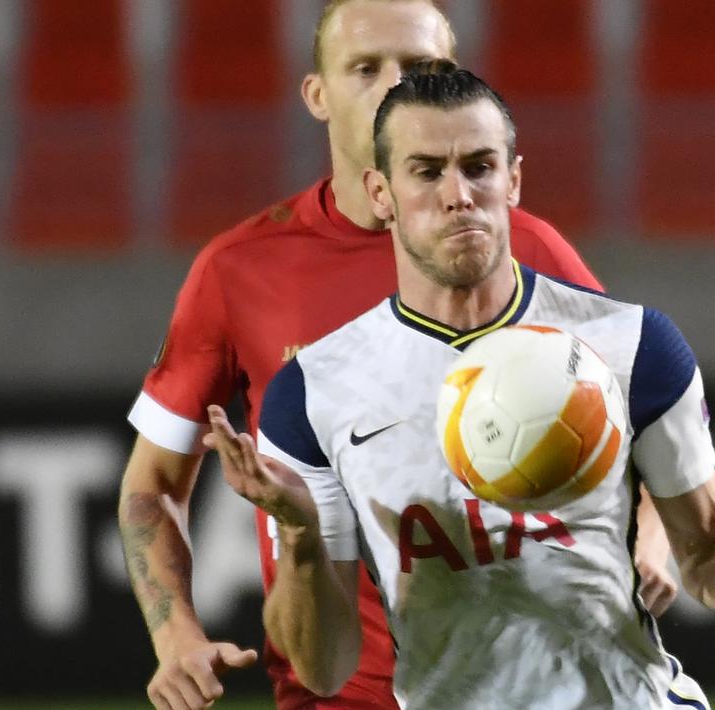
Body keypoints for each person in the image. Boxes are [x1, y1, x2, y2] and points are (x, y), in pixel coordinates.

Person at [205, 67, 715, 709]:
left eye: (479, 167)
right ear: (381, 193)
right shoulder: (316, 392)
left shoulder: (630, 344)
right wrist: (299, 532)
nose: (458, 195)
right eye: (427, 171)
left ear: (512, 180)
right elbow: (322, 668)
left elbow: (709, 559)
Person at [118, 2, 676, 709]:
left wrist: (653, 539)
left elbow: (643, 419)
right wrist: (175, 636)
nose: (394, 84)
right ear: (317, 95)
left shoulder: (525, 247)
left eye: (419, 66)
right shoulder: (239, 270)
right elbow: (153, 484)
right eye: (365, 68)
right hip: (339, 691)